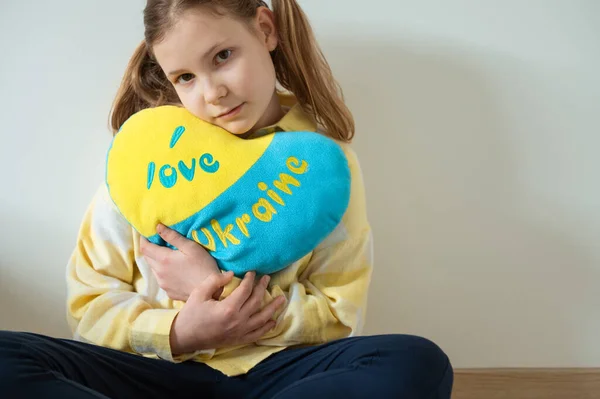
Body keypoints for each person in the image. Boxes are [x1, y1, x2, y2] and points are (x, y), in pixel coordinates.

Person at [0, 1, 453, 398]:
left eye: (223, 56)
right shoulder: (145, 157)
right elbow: (90, 302)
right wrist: (180, 333)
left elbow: (338, 313)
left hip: (279, 374)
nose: (213, 93)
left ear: (265, 29)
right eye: (185, 77)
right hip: (156, 372)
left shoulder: (324, 164)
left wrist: (216, 285)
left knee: (416, 361)